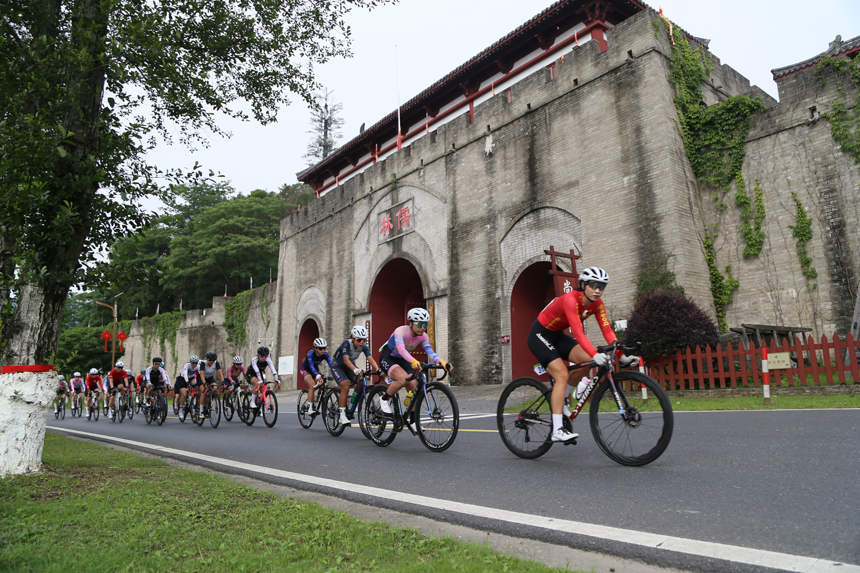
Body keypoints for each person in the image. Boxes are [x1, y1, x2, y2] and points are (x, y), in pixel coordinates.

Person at [527, 266, 639, 443]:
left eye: (602, 286)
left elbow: (607, 330)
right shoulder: (571, 299)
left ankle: (562, 398)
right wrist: (595, 353)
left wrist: (621, 355)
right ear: (583, 284)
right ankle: (557, 430)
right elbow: (578, 333)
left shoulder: (598, 304)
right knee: (562, 374)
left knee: (588, 362)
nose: (597, 290)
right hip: (539, 334)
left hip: (557, 335)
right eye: (594, 285)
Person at [378, 308, 452, 430]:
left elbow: (430, 352)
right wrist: (413, 361)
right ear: (411, 323)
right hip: (388, 357)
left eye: (425, 324)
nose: (423, 327)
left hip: (402, 359)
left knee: (414, 386)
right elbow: (401, 350)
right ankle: (384, 398)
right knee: (403, 379)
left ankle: (412, 421)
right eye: (420, 324)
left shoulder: (423, 336)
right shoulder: (400, 331)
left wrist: (442, 362)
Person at [331, 326, 380, 427]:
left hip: (350, 366)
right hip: (338, 366)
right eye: (359, 340)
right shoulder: (346, 344)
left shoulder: (364, 346)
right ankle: (342, 415)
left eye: (364, 340)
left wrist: (378, 369)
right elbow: (346, 360)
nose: (362, 342)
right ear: (353, 338)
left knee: (361, 381)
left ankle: (353, 402)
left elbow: (370, 359)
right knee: (345, 386)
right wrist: (355, 369)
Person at [299, 338, 333, 416]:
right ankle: (310, 409)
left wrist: (336, 372)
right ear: (316, 348)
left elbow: (331, 364)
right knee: (312, 386)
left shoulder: (325, 355)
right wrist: (317, 375)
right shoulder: (310, 354)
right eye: (320, 349)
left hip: (315, 370)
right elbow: (311, 366)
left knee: (322, 385)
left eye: (324, 348)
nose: (322, 350)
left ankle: (317, 402)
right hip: (306, 370)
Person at [198, 350, 224, 416]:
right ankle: (201, 411)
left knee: (215, 388)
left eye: (213, 360)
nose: (211, 362)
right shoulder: (203, 363)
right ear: (206, 359)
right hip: (202, 378)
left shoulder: (216, 363)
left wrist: (223, 382)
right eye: (210, 360)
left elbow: (220, 373)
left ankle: (209, 401)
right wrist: (204, 383)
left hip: (209, 377)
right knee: (204, 391)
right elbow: (201, 374)